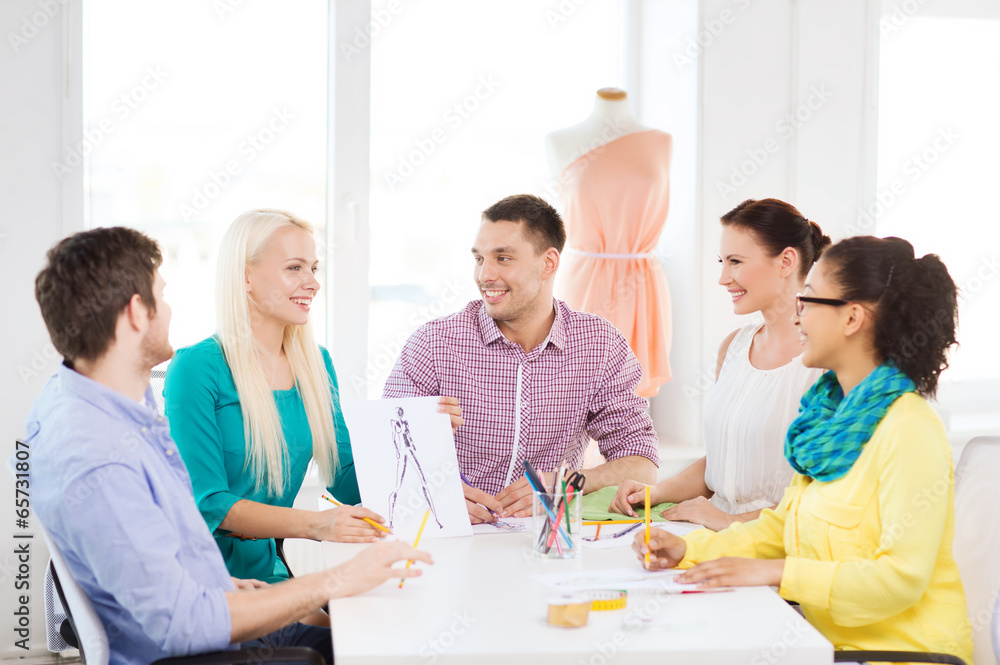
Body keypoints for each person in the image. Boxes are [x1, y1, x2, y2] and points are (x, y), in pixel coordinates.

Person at [27, 227, 431, 665]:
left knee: (381, 625)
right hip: (212, 646)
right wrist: (333, 580)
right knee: (390, 642)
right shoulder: (99, 455)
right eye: (162, 296)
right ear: (135, 314)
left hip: (221, 603)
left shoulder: (94, 404)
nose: (171, 309)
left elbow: (159, 563)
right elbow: (185, 623)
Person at [634, 236, 972, 663]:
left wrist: (776, 572)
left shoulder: (910, 429)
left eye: (808, 299)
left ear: (851, 318)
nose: (797, 315)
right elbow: (784, 528)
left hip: (899, 655)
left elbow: (898, 581)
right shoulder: (827, 420)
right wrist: (689, 550)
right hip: (821, 644)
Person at [162, 210, 457, 597]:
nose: (313, 283)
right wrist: (316, 525)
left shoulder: (316, 365)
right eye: (294, 268)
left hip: (268, 579)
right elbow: (210, 504)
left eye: (314, 268)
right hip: (204, 586)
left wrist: (420, 430)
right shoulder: (197, 367)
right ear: (245, 277)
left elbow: (346, 482)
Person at [383, 194, 659, 523]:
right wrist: (433, 490)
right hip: (450, 534)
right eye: (479, 258)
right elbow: (384, 454)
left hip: (547, 542)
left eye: (503, 258)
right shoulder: (434, 343)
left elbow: (643, 463)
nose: (484, 275)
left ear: (549, 263)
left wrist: (570, 482)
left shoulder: (599, 344)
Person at [610, 199, 828, 531]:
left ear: (786, 261)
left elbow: (827, 498)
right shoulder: (735, 347)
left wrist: (730, 522)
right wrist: (656, 492)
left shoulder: (828, 361)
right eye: (722, 262)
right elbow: (727, 462)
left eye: (736, 262)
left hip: (776, 544)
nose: (723, 278)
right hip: (712, 532)